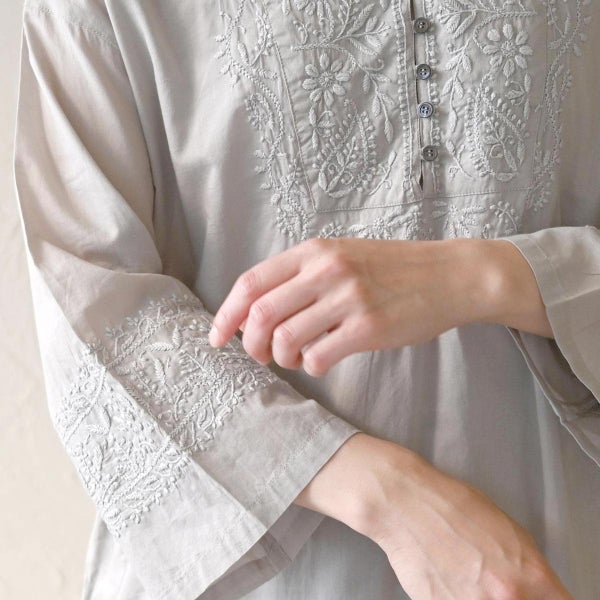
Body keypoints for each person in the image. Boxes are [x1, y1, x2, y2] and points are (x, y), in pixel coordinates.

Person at [12, 0, 600, 598]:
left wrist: (484, 276)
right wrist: (392, 497)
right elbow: (89, 297)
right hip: (267, 563)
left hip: (547, 553)